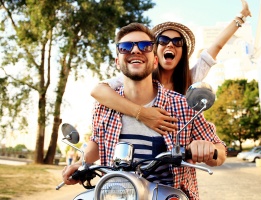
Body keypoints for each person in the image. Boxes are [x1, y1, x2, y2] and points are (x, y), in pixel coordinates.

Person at [62, 22, 226, 199]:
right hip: (116, 195)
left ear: (155, 60)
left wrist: (207, 149)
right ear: (118, 61)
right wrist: (81, 163)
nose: (135, 50)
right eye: (125, 47)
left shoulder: (182, 105)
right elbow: (97, 142)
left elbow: (221, 151)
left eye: (145, 46)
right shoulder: (104, 105)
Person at [90, 0, 252, 135]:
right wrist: (142, 114)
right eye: (163, 40)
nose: (170, 44)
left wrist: (241, 17)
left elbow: (216, 45)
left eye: (177, 42)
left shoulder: (191, 79)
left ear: (183, 52)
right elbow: (98, 91)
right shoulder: (141, 78)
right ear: (154, 52)